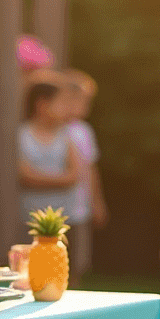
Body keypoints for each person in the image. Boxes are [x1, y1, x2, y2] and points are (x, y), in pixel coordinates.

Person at [60, 70, 106, 282]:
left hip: (79, 208)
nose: (86, 107)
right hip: (58, 207)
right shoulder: (57, 130)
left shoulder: (83, 131)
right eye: (81, 101)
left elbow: (90, 169)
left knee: (76, 261)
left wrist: (97, 202)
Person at [18, 73, 79, 229]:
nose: (67, 108)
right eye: (61, 102)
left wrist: (40, 179)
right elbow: (25, 176)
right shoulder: (23, 135)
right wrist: (61, 180)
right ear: (42, 105)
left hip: (64, 220)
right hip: (30, 220)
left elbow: (75, 176)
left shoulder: (66, 135)